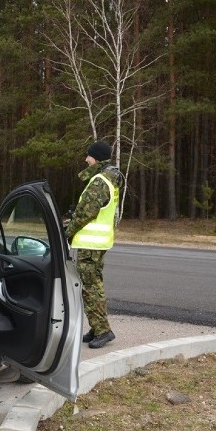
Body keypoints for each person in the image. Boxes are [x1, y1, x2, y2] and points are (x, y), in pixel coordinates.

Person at [66, 140, 124, 349]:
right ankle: (97, 326)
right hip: (98, 243)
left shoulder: (100, 180)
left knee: (91, 288)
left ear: (96, 158)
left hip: (91, 245)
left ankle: (103, 330)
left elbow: (85, 213)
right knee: (94, 285)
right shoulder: (109, 178)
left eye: (88, 156)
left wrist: (67, 231)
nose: (86, 159)